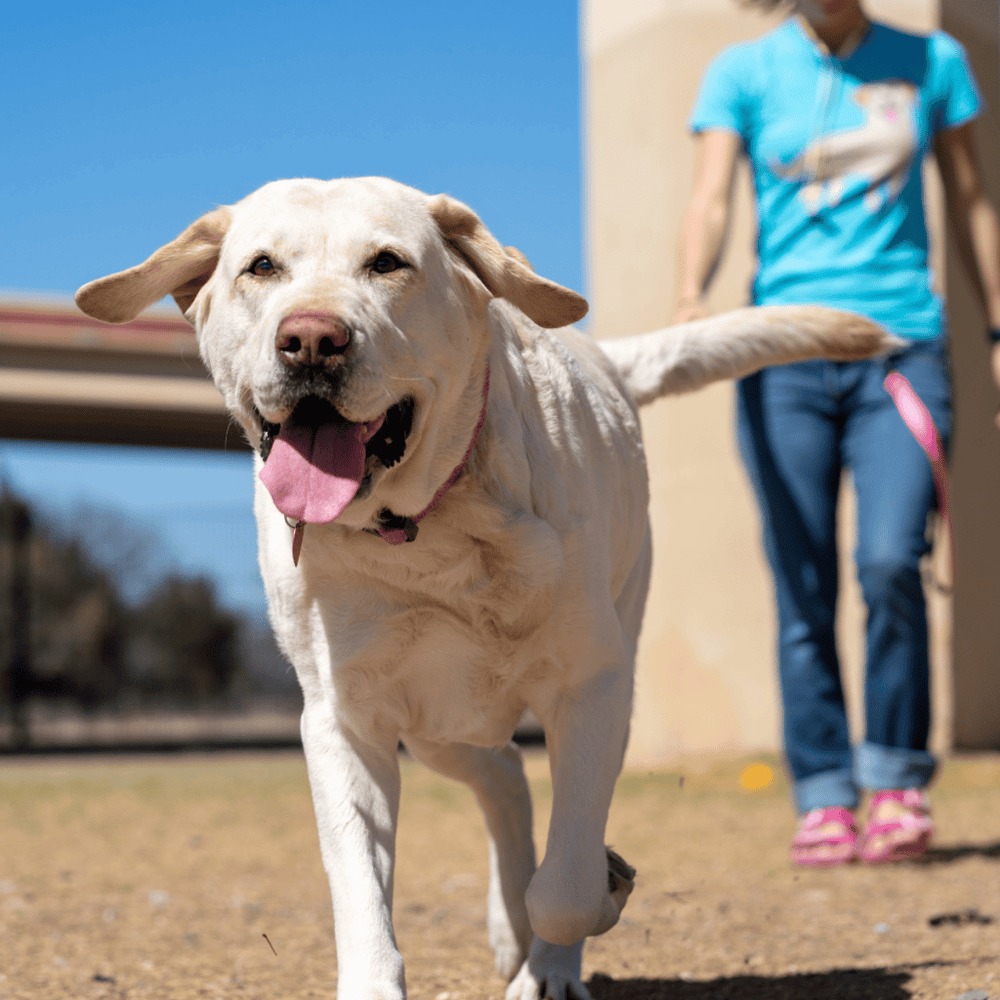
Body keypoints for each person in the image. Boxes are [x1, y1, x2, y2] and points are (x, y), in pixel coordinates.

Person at [673, 0, 1000, 865]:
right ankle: (824, 794)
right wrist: (690, 306)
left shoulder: (931, 61)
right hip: (784, 351)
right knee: (801, 581)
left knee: (892, 560)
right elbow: (710, 201)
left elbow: (969, 198)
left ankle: (894, 779)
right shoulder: (742, 72)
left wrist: (998, 327)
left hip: (900, 347)